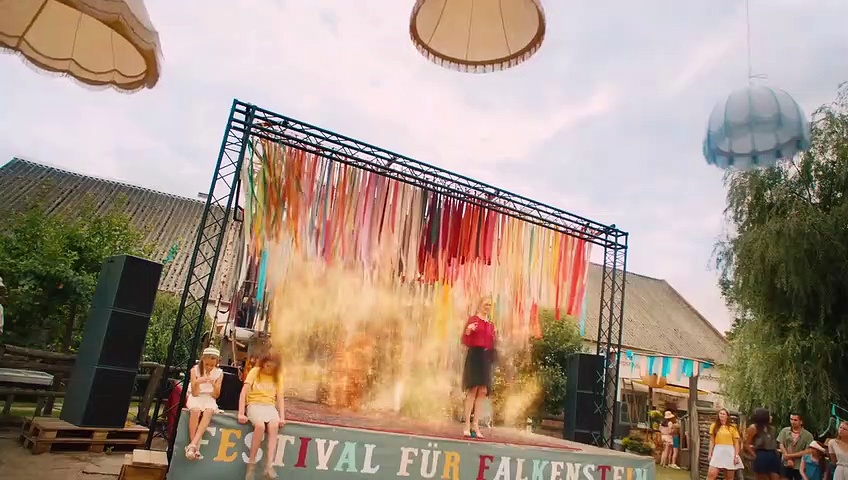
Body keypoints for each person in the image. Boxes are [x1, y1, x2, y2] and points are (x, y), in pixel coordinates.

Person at [238, 350, 285, 480]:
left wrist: (282, 417)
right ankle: (251, 465)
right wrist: (241, 413)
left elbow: (280, 397)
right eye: (268, 366)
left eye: (273, 367)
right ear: (263, 363)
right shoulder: (255, 371)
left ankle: (269, 466)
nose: (269, 369)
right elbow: (244, 392)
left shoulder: (278, 376)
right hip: (254, 404)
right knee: (260, 426)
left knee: (274, 426)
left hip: (269, 406)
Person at [460, 295, 496, 438]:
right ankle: (467, 424)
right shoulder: (473, 320)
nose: (487, 307)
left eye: (489, 305)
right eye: (486, 304)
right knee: (473, 389)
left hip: (486, 358)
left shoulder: (491, 324)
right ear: (480, 305)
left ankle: (476, 425)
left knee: (482, 391)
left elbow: (492, 344)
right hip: (475, 355)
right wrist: (468, 331)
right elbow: (464, 340)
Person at [184, 347, 223, 460]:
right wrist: (197, 382)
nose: (209, 367)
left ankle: (192, 445)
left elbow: (216, 395)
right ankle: (193, 446)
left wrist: (214, 386)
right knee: (195, 411)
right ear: (202, 360)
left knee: (209, 411)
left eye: (212, 365)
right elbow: (194, 393)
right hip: (196, 396)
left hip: (209, 397)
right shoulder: (194, 370)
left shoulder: (219, 373)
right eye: (207, 364)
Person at [745, 408, 781, 480]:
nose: (771, 417)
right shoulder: (753, 428)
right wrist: (754, 455)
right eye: (769, 415)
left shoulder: (772, 429)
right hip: (761, 454)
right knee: (762, 477)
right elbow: (746, 444)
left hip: (772, 454)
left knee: (775, 476)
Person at [708, 408, 742, 480]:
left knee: (729, 477)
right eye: (720, 413)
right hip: (718, 451)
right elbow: (712, 441)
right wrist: (710, 453)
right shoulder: (714, 426)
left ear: (727, 416)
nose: (721, 415)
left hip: (729, 452)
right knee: (711, 474)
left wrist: (736, 456)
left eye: (723, 414)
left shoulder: (732, 427)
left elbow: (736, 443)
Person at [779, 413, 815, 480]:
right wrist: (788, 459)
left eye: (795, 420)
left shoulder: (808, 435)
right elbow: (781, 444)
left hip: (800, 465)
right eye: (791, 419)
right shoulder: (784, 431)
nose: (793, 422)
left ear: (801, 422)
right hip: (786, 463)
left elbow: (807, 451)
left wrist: (789, 456)